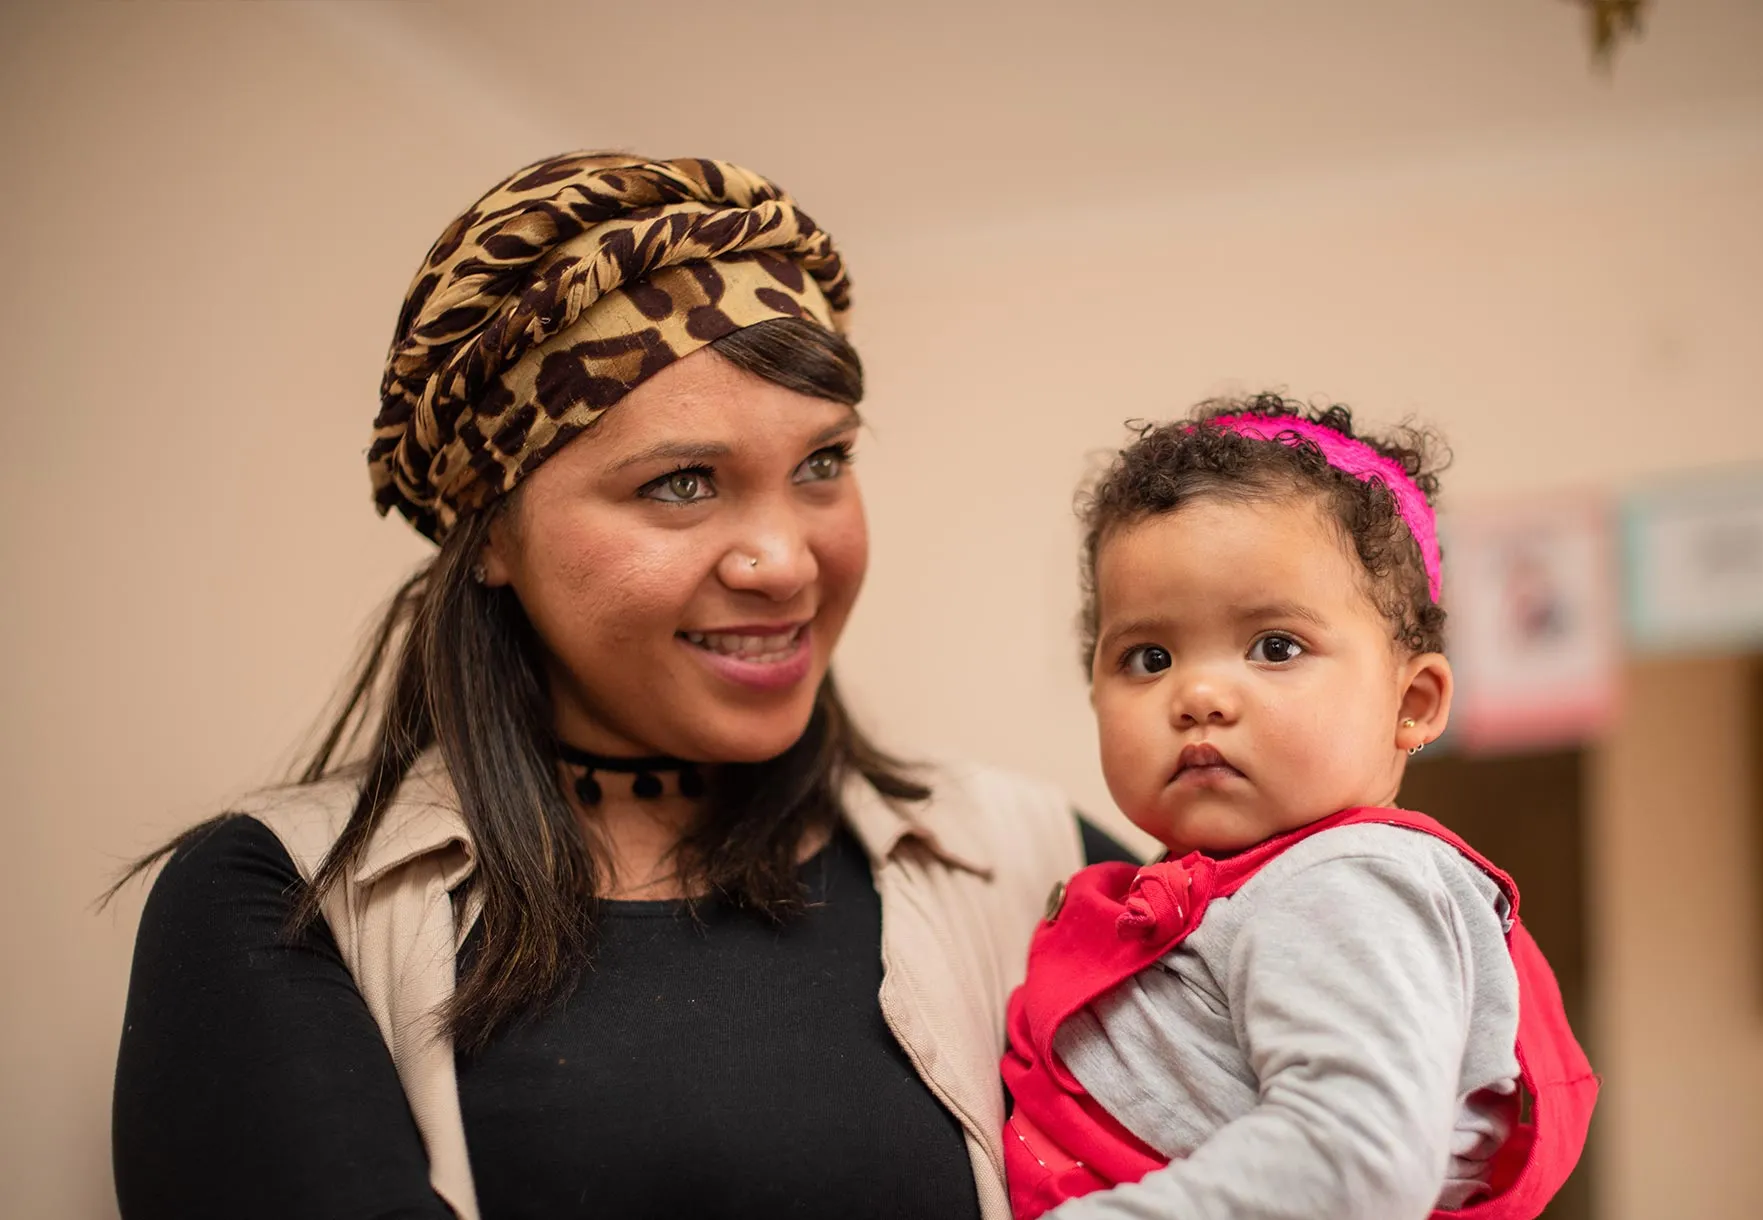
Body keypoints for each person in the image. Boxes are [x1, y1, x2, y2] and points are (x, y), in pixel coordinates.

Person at [111, 151, 1130, 1220]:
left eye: (822, 462)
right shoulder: (288, 899)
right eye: (681, 483)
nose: (784, 560)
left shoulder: (1033, 864)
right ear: (492, 530)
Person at [1001, 396, 1598, 1219]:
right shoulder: (1237, 892)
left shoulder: (1342, 884)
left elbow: (1354, 1160)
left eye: (1275, 647)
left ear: (1413, 704)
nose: (1199, 693)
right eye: (1149, 656)